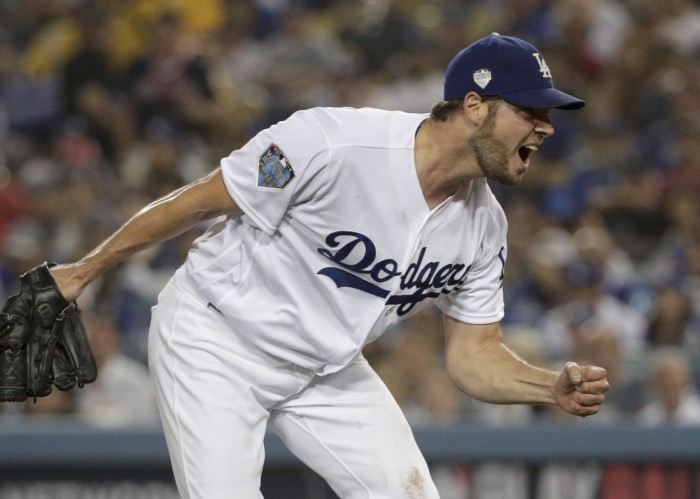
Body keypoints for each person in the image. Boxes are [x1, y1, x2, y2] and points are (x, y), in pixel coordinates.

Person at [47, 33, 610, 498]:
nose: (546, 126)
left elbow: (473, 355)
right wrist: (81, 272)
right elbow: (197, 201)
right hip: (215, 340)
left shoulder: (484, 227)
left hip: (324, 369)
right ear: (473, 106)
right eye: (529, 110)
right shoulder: (330, 142)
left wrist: (547, 386)